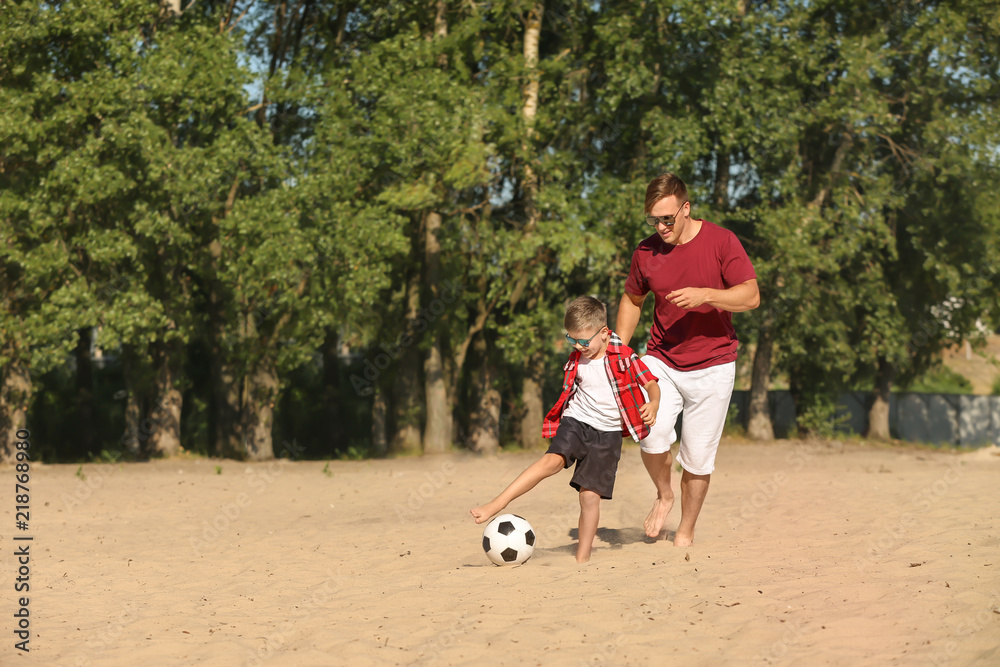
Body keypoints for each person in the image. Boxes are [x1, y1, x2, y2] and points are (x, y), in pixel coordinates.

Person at [616, 172, 759, 547]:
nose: (661, 226)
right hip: (661, 359)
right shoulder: (645, 253)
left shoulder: (721, 241)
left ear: (686, 208)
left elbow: (750, 296)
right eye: (653, 220)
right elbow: (633, 299)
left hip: (714, 365)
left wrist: (707, 295)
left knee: (697, 459)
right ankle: (664, 494)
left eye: (667, 218)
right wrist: (617, 351)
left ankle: (685, 531)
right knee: (651, 435)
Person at [471, 296, 661, 562]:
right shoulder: (577, 359)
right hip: (576, 422)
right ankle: (498, 503)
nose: (578, 346)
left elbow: (651, 383)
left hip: (607, 436)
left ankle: (582, 558)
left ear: (604, 333)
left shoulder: (625, 357)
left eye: (584, 341)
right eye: (572, 340)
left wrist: (654, 403)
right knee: (551, 461)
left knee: (589, 498)